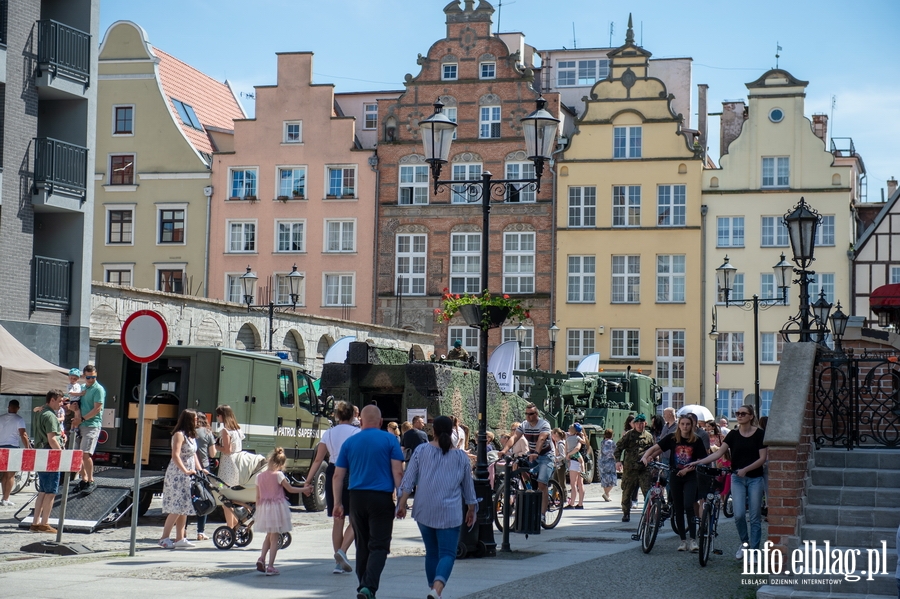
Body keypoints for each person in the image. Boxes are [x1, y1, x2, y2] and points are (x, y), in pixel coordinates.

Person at [397, 415, 476, 599]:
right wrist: (472, 509)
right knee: (447, 553)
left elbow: (408, 480)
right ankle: (437, 588)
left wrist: (401, 503)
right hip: (450, 511)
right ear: (452, 432)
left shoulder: (421, 451)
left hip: (424, 508)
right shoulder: (460, 457)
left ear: (433, 431)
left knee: (431, 552)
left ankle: (433, 588)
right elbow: (468, 488)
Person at [333, 405, 404, 599]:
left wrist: (338, 502)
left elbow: (338, 475)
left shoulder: (350, 442)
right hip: (381, 497)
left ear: (361, 422)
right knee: (379, 545)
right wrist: (401, 500)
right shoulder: (390, 439)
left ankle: (363, 585)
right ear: (380, 422)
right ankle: (368, 587)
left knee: (362, 544)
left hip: (356, 497)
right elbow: (398, 472)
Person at [689, 404, 767, 559]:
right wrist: (700, 462)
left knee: (754, 516)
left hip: (755, 479)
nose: (739, 415)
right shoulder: (733, 435)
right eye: (737, 413)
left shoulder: (759, 434)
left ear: (751, 416)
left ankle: (755, 551)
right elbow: (718, 453)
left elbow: (762, 458)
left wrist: (746, 469)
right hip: (737, 479)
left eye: (743, 413)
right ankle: (745, 544)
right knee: (738, 515)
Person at [302, 401, 359, 574]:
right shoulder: (357, 433)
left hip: (333, 470)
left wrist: (308, 480)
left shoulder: (328, 433)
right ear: (353, 416)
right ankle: (342, 551)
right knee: (356, 518)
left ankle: (338, 561)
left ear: (336, 416)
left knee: (337, 519)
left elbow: (319, 460)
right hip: (351, 471)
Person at [641, 415, 708, 552]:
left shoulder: (697, 440)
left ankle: (693, 540)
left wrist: (687, 470)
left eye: (687, 424)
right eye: (682, 424)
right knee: (677, 508)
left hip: (690, 476)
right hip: (675, 476)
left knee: (689, 505)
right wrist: (645, 456)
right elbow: (656, 447)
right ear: (679, 425)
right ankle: (683, 541)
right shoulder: (672, 438)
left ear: (692, 425)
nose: (685, 427)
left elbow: (702, 460)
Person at [499, 403, 554, 524]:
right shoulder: (524, 425)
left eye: (531, 414)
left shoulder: (544, 424)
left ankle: (542, 515)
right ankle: (529, 487)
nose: (528, 416)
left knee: (542, 484)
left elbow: (541, 439)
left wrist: (536, 452)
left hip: (546, 456)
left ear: (536, 414)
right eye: (527, 414)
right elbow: (514, 438)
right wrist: (504, 450)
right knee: (519, 465)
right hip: (532, 455)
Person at [255, 447, 304, 576]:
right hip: (277, 507)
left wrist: (258, 510)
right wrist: (304, 489)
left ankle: (262, 558)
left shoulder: (259, 477)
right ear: (282, 464)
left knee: (268, 536)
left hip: (264, 508)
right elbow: (290, 489)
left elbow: (258, 497)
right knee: (275, 537)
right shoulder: (278, 475)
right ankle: (270, 566)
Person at [158, 409, 201, 549]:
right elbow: (175, 455)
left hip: (188, 474)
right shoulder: (179, 435)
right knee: (176, 507)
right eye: (195, 419)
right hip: (178, 474)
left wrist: (200, 469)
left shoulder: (191, 436)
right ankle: (164, 538)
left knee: (184, 506)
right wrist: (185, 470)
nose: (197, 421)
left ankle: (180, 538)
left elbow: (193, 454)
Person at [31, 390, 65, 533]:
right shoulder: (50, 416)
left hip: (40, 452)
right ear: (52, 400)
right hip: (49, 454)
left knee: (43, 491)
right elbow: (52, 439)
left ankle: (35, 522)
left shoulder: (40, 412)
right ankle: (45, 523)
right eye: (59, 401)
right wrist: (61, 454)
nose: (61, 404)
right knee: (51, 491)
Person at [614, 413, 654, 522]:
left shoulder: (649, 436)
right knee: (627, 492)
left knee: (648, 492)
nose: (640, 426)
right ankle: (626, 513)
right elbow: (618, 448)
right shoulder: (629, 435)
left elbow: (654, 450)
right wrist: (618, 461)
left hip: (644, 469)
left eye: (642, 423)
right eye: (638, 423)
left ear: (645, 424)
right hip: (630, 469)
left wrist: (653, 461)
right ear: (634, 424)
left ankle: (649, 514)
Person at [71, 364, 104, 494]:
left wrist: (83, 419)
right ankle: (84, 479)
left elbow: (97, 409)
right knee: (77, 455)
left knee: (85, 454)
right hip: (79, 424)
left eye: (93, 377)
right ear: (84, 376)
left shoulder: (98, 389)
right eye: (88, 377)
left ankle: (91, 480)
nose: (91, 379)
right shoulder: (82, 388)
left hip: (91, 424)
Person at [215, 404, 244, 529]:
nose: (217, 418)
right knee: (230, 496)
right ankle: (234, 524)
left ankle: (231, 525)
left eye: (218, 415)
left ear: (221, 416)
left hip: (227, 465)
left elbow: (227, 450)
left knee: (224, 494)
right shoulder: (238, 430)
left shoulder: (225, 431)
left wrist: (216, 446)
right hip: (237, 464)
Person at [1, 399, 30, 506]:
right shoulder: (19, 419)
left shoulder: (1, 418)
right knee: (11, 474)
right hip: (12, 448)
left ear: (8, 407)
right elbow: (23, 434)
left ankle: (4, 498)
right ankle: (6, 498)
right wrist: (27, 447)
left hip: (1, 448)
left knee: (4, 474)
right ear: (18, 408)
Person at [193, 411, 216, 541]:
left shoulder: (189, 432)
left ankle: (183, 530)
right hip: (204, 469)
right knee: (204, 498)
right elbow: (212, 454)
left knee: (191, 497)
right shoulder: (207, 433)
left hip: (190, 468)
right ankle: (200, 532)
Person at [565, 424, 585, 509]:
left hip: (574, 462)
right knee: (580, 484)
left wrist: (568, 455)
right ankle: (580, 503)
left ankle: (572, 503)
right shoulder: (578, 438)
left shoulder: (569, 438)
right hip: (579, 461)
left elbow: (575, 448)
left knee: (573, 484)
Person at [598, 428, 617, 502]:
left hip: (602, 461)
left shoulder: (602, 442)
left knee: (605, 478)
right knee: (612, 479)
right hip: (610, 462)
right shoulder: (612, 443)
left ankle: (607, 495)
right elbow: (614, 452)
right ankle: (607, 493)